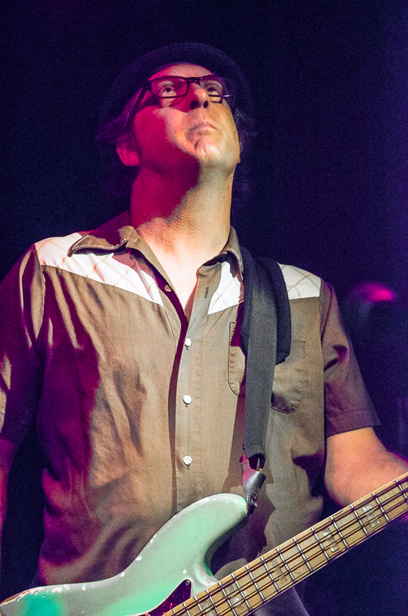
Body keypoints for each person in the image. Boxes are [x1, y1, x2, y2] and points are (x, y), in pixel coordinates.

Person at [0, 42, 406, 615]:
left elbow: (355, 465)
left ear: (239, 143)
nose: (199, 96)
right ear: (126, 145)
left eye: (218, 93)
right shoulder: (56, 272)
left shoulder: (306, 298)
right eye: (169, 92)